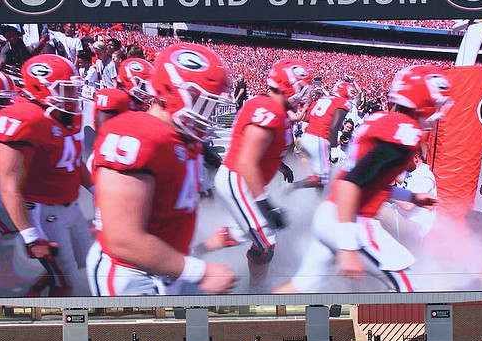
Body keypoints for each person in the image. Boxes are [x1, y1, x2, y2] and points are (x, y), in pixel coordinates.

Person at [278, 65, 451, 295]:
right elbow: (352, 183)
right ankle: (392, 331)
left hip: (330, 212)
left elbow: (371, 182)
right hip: (350, 219)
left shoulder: (382, 119)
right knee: (407, 286)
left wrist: (412, 196)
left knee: (300, 287)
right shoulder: (404, 133)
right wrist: (348, 245)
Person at [87, 42, 236, 298]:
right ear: (175, 91)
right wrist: (199, 272)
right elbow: (123, 238)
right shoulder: (135, 134)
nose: (211, 115)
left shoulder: (181, 137)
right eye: (204, 103)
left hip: (167, 268)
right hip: (130, 273)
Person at [204, 58, 313, 281]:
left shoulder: (274, 108)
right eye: (301, 88)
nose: (304, 94)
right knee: (267, 240)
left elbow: (263, 150)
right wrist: (267, 205)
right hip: (239, 179)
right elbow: (247, 160)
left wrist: (280, 167)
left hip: (243, 180)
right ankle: (256, 290)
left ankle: (197, 252)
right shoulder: (268, 109)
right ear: (287, 86)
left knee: (239, 232)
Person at [0, 54, 93, 295]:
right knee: (66, 280)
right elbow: (9, 184)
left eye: (74, 89)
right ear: (41, 87)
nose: (73, 96)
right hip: (43, 208)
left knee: (87, 261)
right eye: (65, 89)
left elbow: (73, 158)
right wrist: (31, 235)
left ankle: (39, 287)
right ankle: (40, 314)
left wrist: (98, 191)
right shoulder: (25, 119)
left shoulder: (65, 116)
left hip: (69, 206)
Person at [296, 81, 356, 189]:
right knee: (322, 178)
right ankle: (288, 188)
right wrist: (334, 149)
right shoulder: (342, 102)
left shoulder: (323, 99)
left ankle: (316, 201)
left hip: (309, 136)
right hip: (318, 138)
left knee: (322, 175)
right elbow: (334, 127)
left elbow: (309, 118)